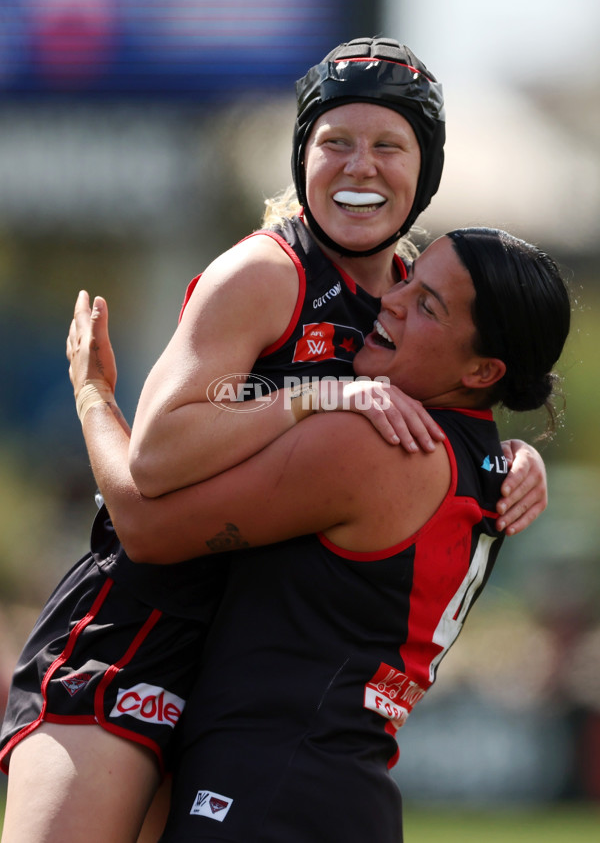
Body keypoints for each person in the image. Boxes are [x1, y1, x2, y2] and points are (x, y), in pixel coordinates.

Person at [0, 36, 548, 843]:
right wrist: (312, 394)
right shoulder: (266, 273)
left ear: (423, 173)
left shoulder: (412, 298)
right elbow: (155, 459)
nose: (360, 167)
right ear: (302, 159)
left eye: (388, 146)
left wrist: (517, 456)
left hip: (248, 671)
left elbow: (452, 413)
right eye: (335, 143)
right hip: (131, 633)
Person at [71, 229, 572, 842]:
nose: (391, 300)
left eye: (426, 305)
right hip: (342, 792)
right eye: (408, 279)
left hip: (264, 792)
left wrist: (95, 396)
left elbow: (144, 528)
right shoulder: (492, 466)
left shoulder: (376, 444)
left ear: (482, 370)